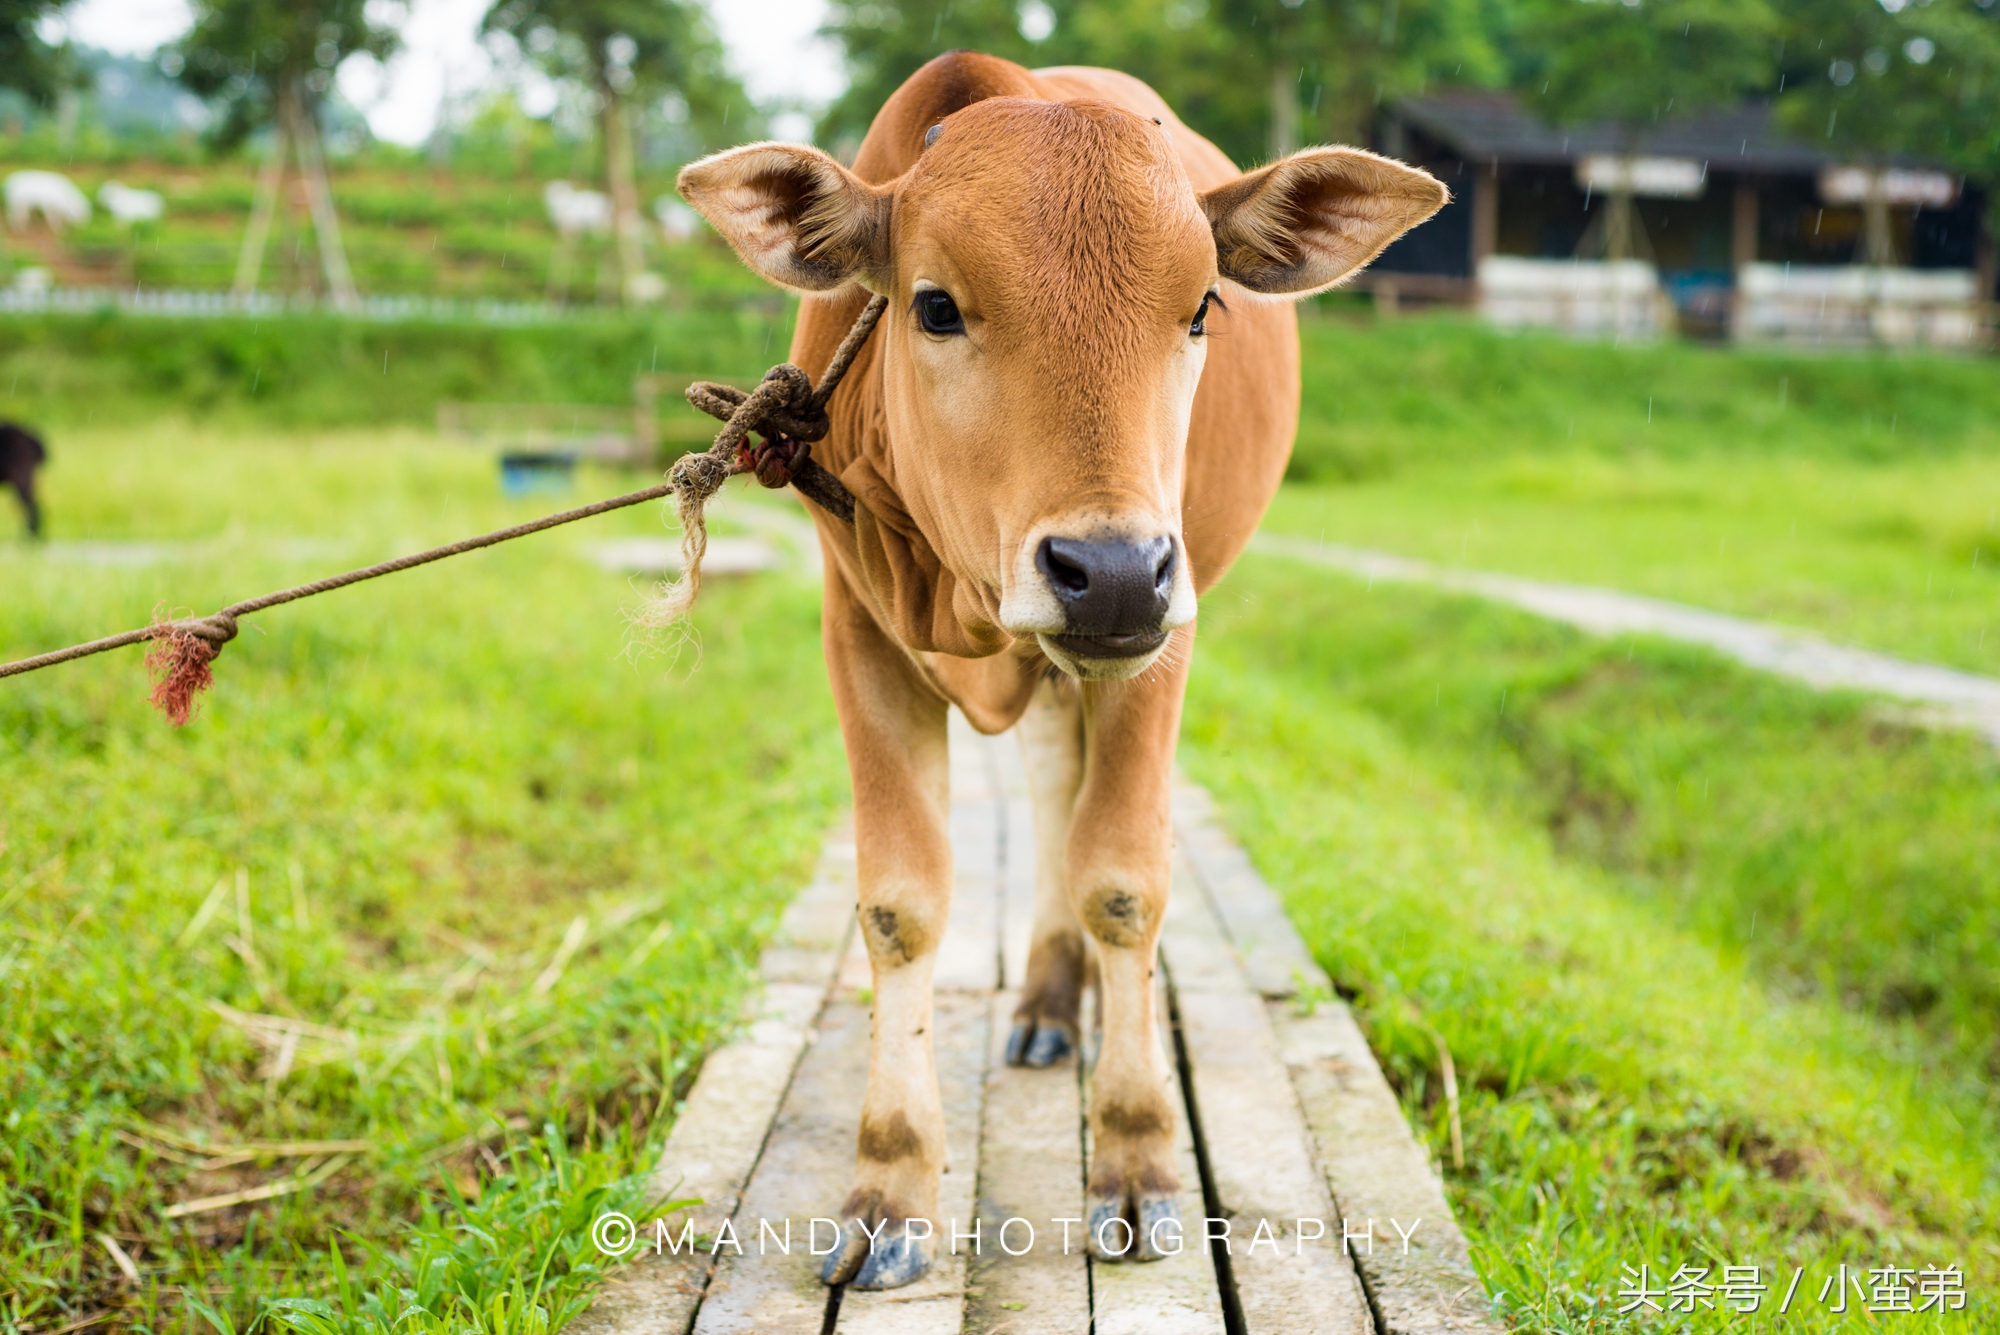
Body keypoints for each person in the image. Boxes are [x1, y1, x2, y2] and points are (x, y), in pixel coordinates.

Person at [2, 422, 46, 537]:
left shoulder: (16, 444)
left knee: (25, 494)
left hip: (13, 452)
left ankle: (34, 530)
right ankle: (34, 530)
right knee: (25, 495)